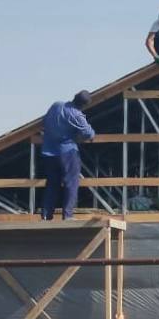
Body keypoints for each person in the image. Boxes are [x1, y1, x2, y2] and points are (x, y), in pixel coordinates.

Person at [40, 90, 95, 221]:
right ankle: (68, 215)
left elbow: (44, 121)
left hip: (48, 151)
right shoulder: (77, 115)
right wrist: (77, 137)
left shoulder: (56, 106)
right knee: (71, 182)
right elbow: (89, 134)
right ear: (84, 105)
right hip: (67, 152)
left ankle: (46, 216)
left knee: (52, 184)